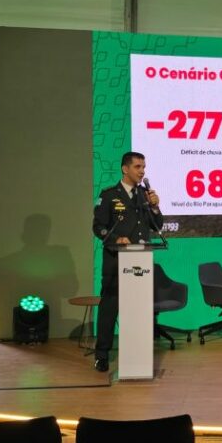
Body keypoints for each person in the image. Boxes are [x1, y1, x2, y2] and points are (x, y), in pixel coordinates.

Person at [92, 151, 163, 372]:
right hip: (116, 262)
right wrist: (116, 238)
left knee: (139, 310)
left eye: (144, 167)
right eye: (137, 167)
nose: (142, 171)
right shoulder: (109, 195)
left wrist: (154, 207)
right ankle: (102, 355)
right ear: (125, 169)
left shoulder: (144, 195)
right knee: (109, 309)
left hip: (140, 261)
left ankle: (138, 355)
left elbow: (157, 225)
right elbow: (98, 227)